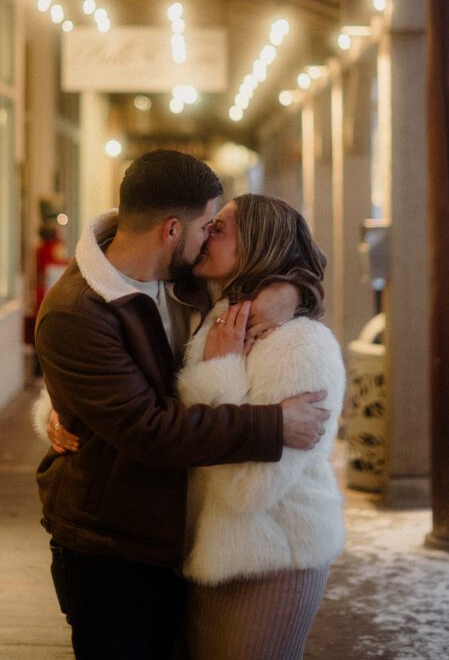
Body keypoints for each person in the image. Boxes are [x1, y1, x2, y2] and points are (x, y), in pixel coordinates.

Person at [34, 150, 331, 660]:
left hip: (222, 545)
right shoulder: (91, 309)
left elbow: (287, 258)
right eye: (206, 226)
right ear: (172, 229)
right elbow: (147, 425)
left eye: (220, 228)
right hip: (116, 542)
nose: (208, 237)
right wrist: (61, 409)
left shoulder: (185, 290)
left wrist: (291, 288)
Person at [178, 193, 345, 660]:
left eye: (222, 227)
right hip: (211, 554)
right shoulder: (216, 319)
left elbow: (250, 486)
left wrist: (222, 372)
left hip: (275, 559)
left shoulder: (298, 346)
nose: (207, 231)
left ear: (258, 244)